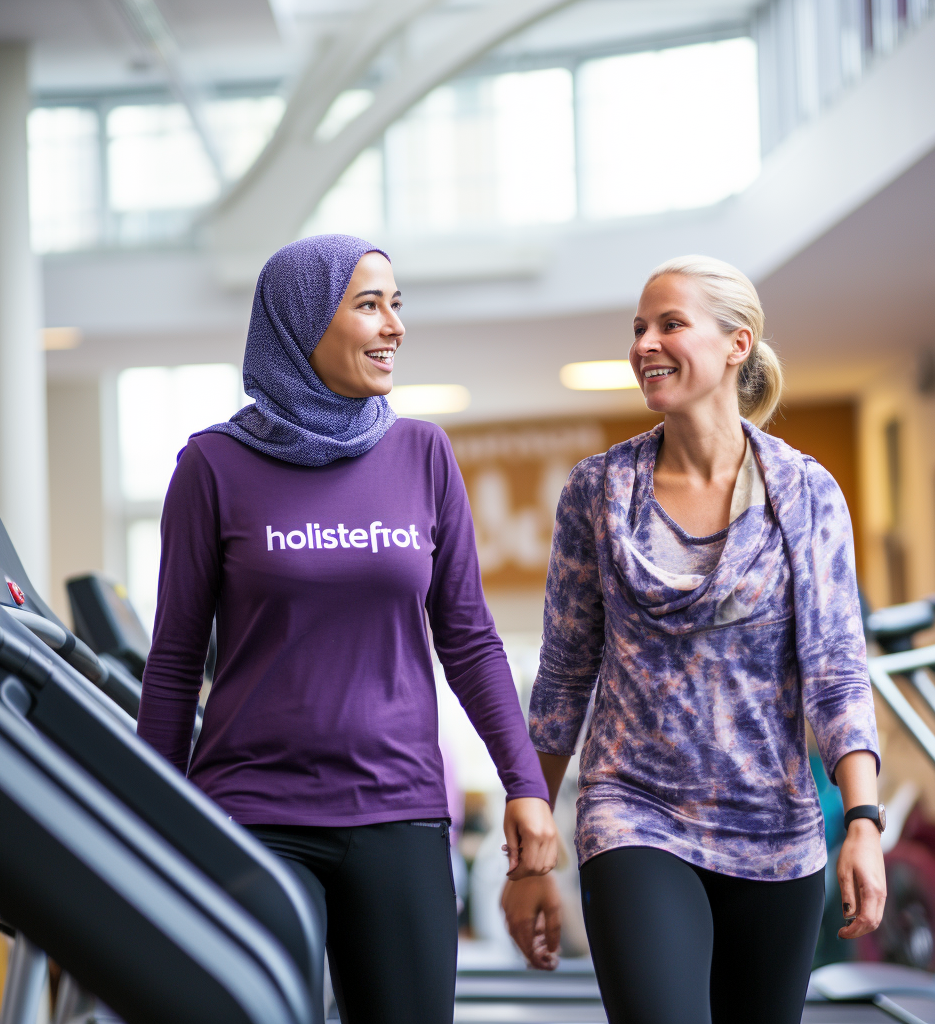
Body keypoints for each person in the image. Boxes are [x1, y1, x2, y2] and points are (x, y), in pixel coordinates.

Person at [137, 234, 558, 1024]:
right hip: (250, 815)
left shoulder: (421, 453)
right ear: (301, 324)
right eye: (369, 305)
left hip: (397, 809)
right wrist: (147, 822)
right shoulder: (213, 467)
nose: (394, 325)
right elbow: (172, 666)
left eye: (397, 304)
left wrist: (524, 783)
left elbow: (468, 639)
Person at [502, 255, 885, 1024]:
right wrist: (530, 850)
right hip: (633, 812)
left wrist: (865, 824)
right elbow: (563, 680)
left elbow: (836, 671)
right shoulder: (599, 492)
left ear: (737, 343)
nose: (645, 342)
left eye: (669, 324)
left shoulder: (805, 491)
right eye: (638, 328)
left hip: (774, 830)